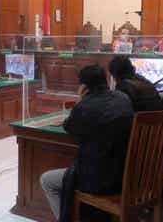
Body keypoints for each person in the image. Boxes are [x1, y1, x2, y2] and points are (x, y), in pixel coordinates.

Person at [40, 65, 134, 222]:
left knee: (47, 180)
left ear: (83, 87)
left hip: (100, 181)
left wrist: (79, 101)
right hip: (127, 173)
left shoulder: (84, 107)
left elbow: (69, 127)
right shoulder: (123, 98)